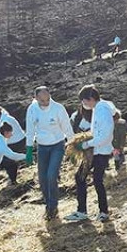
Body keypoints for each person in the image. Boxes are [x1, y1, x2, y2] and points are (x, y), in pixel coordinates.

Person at [65, 85, 116, 222]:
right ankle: (84, 211)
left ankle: (102, 212)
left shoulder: (102, 110)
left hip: (101, 151)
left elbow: (105, 134)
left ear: (91, 98)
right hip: (96, 150)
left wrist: (87, 144)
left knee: (96, 180)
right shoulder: (98, 108)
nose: (84, 104)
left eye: (84, 101)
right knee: (81, 177)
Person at [25, 86, 74, 220]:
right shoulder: (32, 109)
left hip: (57, 145)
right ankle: (48, 202)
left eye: (47, 99)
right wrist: (29, 149)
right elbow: (30, 129)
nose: (45, 103)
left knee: (51, 175)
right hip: (42, 146)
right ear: (36, 98)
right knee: (42, 178)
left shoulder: (58, 108)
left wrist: (73, 145)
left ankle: (53, 206)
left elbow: (67, 127)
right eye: (42, 101)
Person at [71, 103, 127, 171]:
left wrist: (120, 146)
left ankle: (118, 165)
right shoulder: (96, 122)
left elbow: (121, 137)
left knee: (116, 153)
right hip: (100, 142)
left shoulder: (121, 124)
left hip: (114, 141)